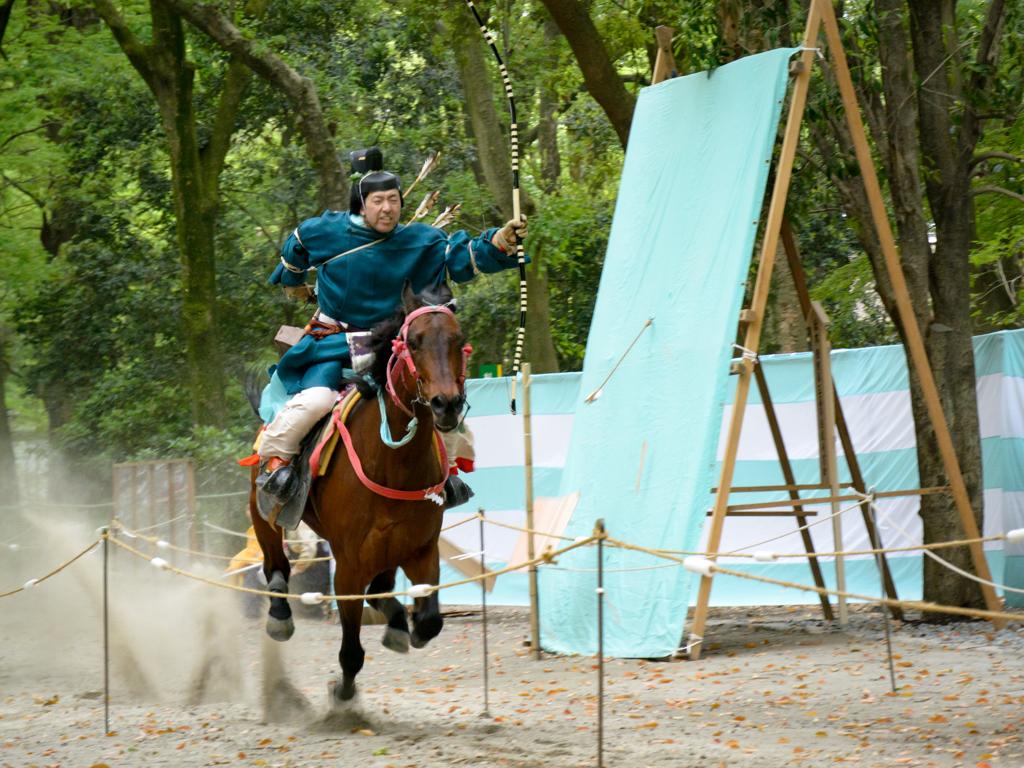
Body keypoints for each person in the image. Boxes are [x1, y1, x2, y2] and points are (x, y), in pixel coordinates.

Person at [256, 149, 527, 507]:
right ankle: (279, 464)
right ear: (361, 205)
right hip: (333, 346)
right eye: (378, 201)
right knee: (316, 401)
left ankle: (445, 471)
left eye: (394, 201)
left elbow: (465, 255)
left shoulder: (423, 241)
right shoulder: (327, 231)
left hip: (393, 349)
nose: (387, 208)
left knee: (437, 399)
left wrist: (502, 239)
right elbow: (297, 246)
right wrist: (293, 281)